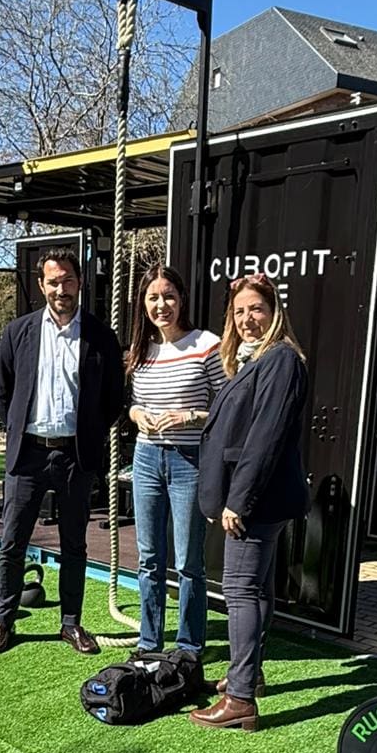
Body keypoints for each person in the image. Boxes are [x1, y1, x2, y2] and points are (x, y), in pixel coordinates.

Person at [0, 248, 125, 655]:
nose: (61, 289)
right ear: (41, 285)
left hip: (75, 457)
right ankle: (3, 622)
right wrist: (19, 429)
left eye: (68, 280)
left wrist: (89, 435)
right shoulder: (18, 332)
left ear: (79, 283)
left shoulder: (101, 337)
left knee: (74, 546)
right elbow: (1, 394)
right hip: (27, 455)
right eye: (53, 282)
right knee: (12, 543)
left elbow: (113, 399)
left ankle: (71, 623)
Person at [190, 273, 309, 732]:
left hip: (255, 501)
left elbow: (266, 436)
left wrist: (238, 500)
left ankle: (239, 698)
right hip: (260, 497)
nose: (246, 319)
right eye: (239, 312)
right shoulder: (257, 360)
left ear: (274, 311)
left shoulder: (280, 359)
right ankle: (248, 676)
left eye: (255, 308)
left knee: (240, 591)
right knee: (256, 590)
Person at [127, 263, 225, 659]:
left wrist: (190, 417)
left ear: (181, 299)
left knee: (187, 561)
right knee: (149, 558)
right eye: (153, 297)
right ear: (143, 303)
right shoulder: (141, 349)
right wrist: (138, 415)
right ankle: (149, 642)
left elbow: (228, 407)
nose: (161, 305)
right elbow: (134, 404)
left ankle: (188, 645)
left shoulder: (206, 344)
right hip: (146, 457)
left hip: (189, 460)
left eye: (168, 296)